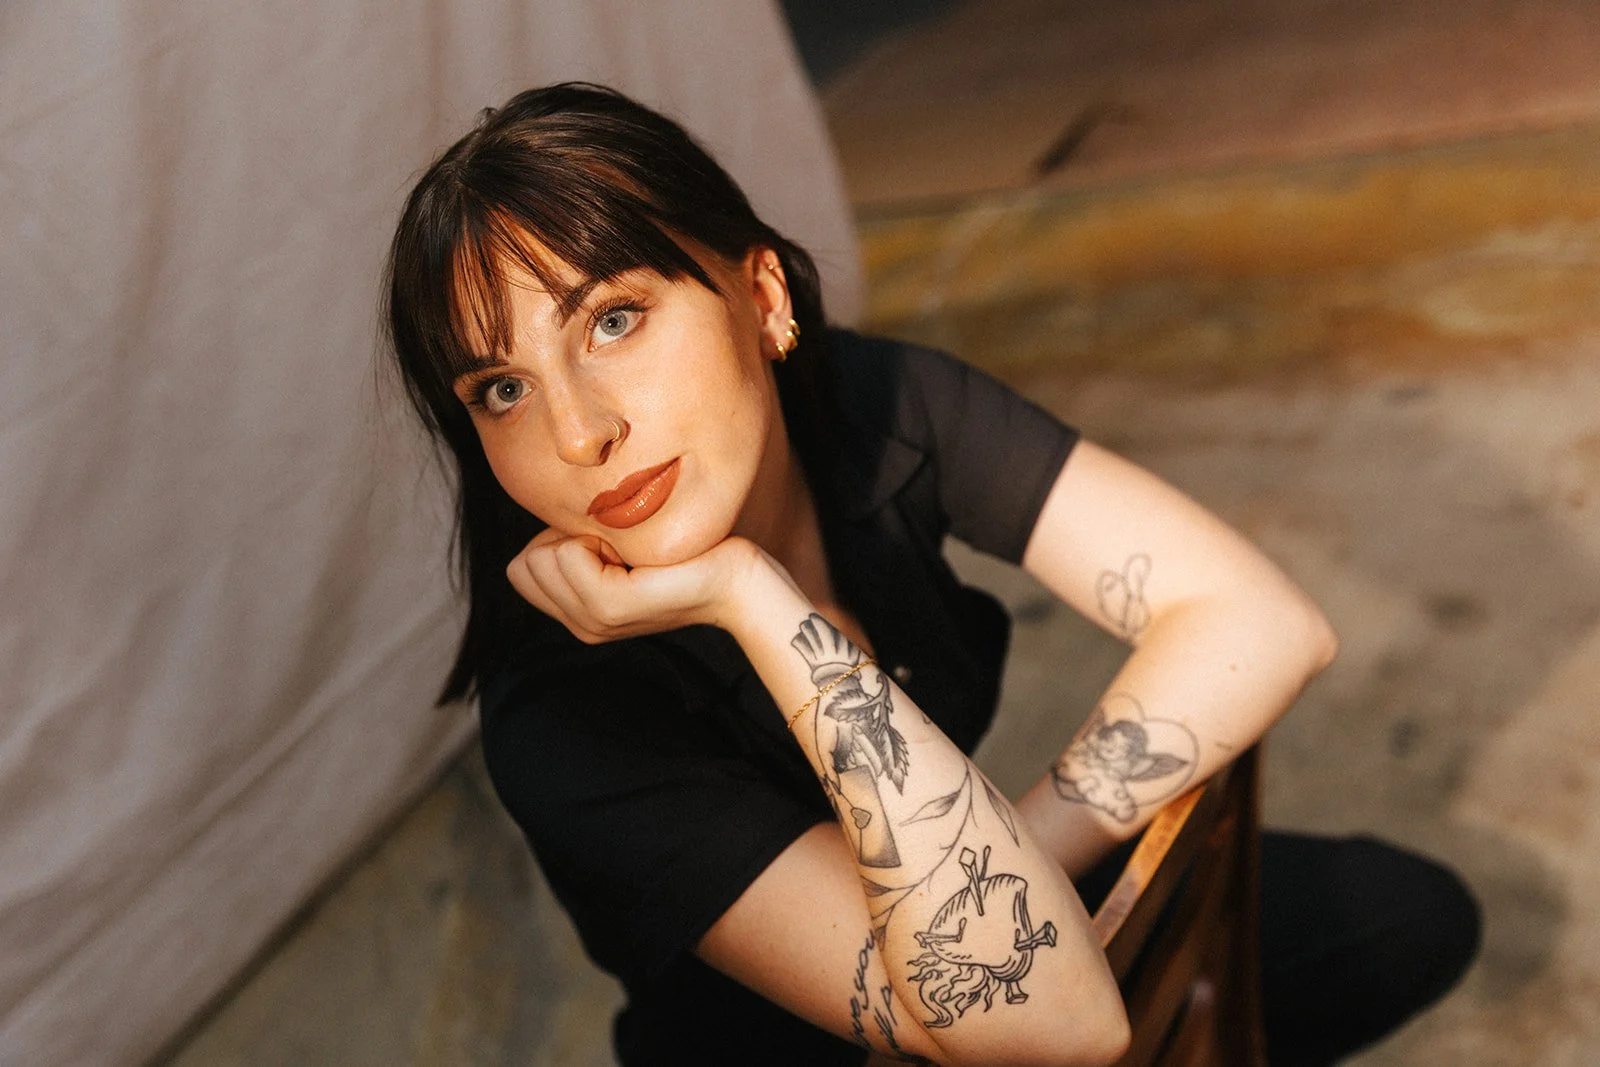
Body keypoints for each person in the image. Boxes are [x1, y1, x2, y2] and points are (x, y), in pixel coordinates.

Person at [384, 83, 1480, 1066]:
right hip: (795, 1048)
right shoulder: (562, 718)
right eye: (501, 390)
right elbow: (1051, 1025)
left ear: (763, 299)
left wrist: (1027, 866)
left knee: (1400, 918)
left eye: (613, 319)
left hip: (984, 902)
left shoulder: (867, 405)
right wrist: (750, 597)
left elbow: (1262, 619)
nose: (577, 432)